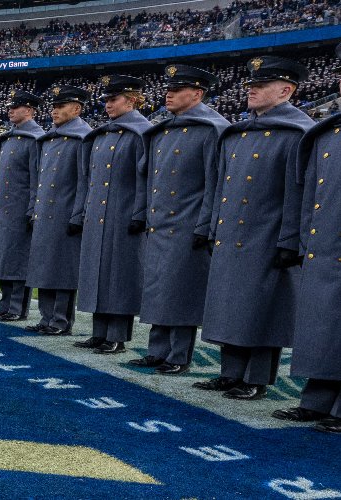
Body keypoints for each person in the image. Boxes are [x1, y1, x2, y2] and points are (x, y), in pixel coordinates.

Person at [195, 56, 314, 401]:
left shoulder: (298, 133)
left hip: (268, 236)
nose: (251, 90)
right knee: (229, 305)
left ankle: (256, 378)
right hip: (231, 233)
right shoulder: (236, 133)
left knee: (263, 308)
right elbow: (219, 186)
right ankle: (230, 373)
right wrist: (211, 227)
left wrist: (291, 240)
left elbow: (298, 193)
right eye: (251, 85)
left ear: (286, 90)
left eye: (261, 86)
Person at [131, 65, 228, 375]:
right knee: (158, 287)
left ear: (197, 94)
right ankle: (157, 350)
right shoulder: (162, 130)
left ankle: (178, 354)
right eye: (168, 88)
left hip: (188, 225)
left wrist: (204, 226)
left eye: (177, 89)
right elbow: (148, 179)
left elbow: (214, 183)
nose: (168, 94)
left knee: (181, 290)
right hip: (158, 223)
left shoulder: (211, 129)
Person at [280, 44, 341, 434]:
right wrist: (304, 240)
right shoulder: (328, 132)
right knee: (324, 327)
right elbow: (308, 197)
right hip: (325, 247)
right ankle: (317, 400)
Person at [70, 75, 154, 355]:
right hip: (98, 214)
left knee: (119, 276)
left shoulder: (142, 132)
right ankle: (99, 333)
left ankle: (116, 335)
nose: (107, 104)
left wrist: (140, 213)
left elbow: (145, 178)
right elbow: (88, 179)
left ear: (132, 100)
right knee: (97, 273)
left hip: (123, 214)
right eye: (106, 99)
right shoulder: (103, 134)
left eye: (113, 99)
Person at [24, 86, 93, 337]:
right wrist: (34, 209)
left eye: (61, 106)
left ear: (76, 109)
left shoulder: (83, 137)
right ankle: (46, 317)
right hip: (45, 212)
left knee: (62, 269)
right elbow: (38, 181)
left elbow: (84, 181)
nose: (54, 111)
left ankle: (61, 320)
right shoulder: (50, 138)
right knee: (43, 266)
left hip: (66, 213)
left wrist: (78, 215)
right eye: (53, 106)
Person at [0, 91, 46, 323]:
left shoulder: (35, 139)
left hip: (22, 208)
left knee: (19, 258)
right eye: (10, 106)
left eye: (17, 107)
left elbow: (36, 178)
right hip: (5, 206)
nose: (11, 110)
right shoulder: (7, 138)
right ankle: (5, 303)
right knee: (3, 256)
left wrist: (32, 208)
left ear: (29, 111)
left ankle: (18, 307)